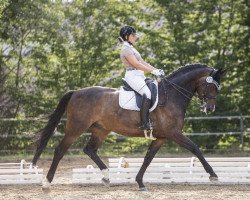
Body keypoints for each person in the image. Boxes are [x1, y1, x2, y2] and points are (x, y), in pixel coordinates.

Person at [118, 25, 165, 131]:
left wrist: (156, 70)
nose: (135, 37)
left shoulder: (131, 48)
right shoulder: (126, 49)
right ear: (126, 36)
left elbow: (143, 62)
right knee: (147, 94)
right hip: (132, 76)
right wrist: (153, 71)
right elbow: (136, 64)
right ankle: (144, 123)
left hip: (139, 76)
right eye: (133, 35)